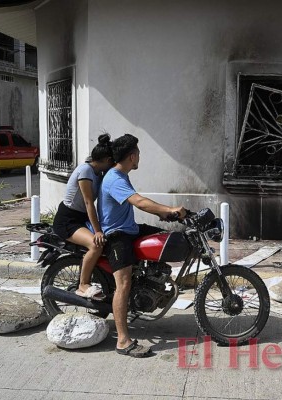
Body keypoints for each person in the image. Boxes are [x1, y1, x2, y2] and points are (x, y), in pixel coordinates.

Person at [98, 134, 186, 357]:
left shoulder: (122, 175)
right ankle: (123, 341)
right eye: (138, 153)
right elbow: (139, 202)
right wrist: (168, 209)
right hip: (117, 235)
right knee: (123, 284)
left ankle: (151, 283)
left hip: (129, 229)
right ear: (132, 156)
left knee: (163, 237)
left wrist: (168, 217)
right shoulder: (115, 179)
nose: (140, 157)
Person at [52, 134, 114, 301]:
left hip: (81, 218)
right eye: (112, 162)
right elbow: (88, 203)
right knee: (96, 245)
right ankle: (83, 285)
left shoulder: (98, 173)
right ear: (107, 160)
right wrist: (98, 231)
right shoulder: (85, 170)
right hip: (68, 220)